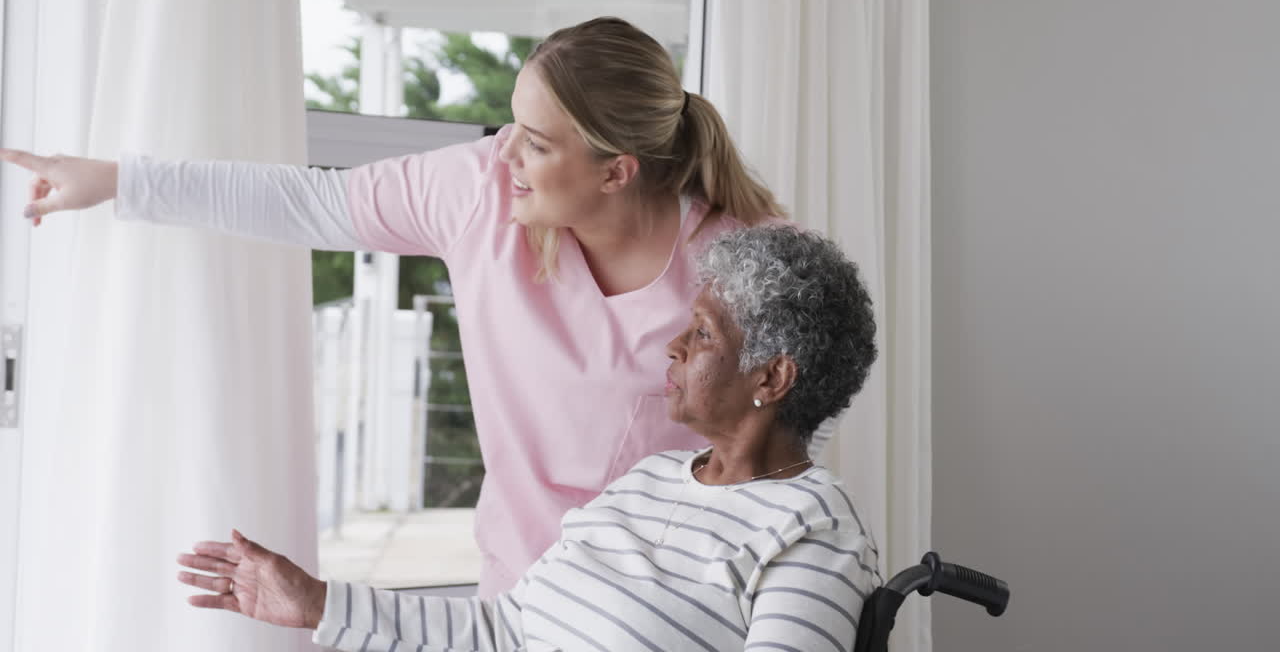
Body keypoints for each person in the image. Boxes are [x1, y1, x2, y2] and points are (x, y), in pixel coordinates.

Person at [0, 17, 849, 597]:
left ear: (616, 170)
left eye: (538, 142)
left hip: (672, 606)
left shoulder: (745, 262)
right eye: (510, 124)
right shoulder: (476, 193)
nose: (504, 152)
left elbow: (782, 448)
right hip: (519, 596)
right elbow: (308, 204)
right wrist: (116, 181)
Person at [177, 226, 881, 652]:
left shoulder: (810, 528)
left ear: (773, 376)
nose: (673, 346)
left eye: (701, 334)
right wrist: (317, 603)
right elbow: (504, 633)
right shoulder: (651, 479)